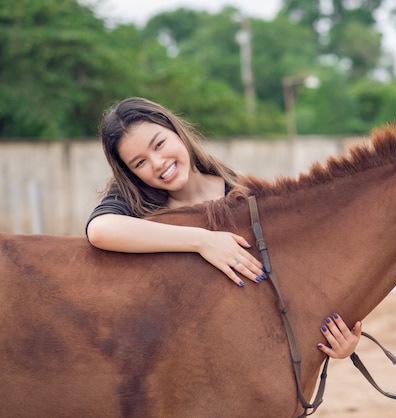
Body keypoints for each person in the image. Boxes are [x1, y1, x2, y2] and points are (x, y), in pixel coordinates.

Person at [86, 97, 362, 359]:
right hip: (171, 359)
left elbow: (292, 277)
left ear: (177, 132)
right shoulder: (136, 201)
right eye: (140, 163)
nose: (157, 163)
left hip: (243, 356)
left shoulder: (244, 195)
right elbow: (100, 230)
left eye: (159, 145)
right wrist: (202, 241)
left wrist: (339, 337)